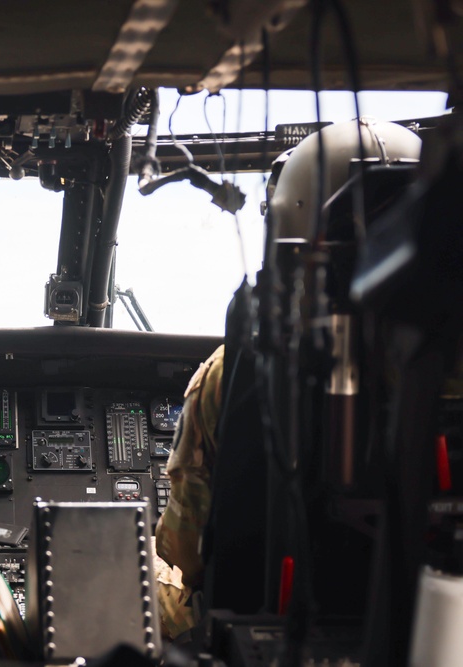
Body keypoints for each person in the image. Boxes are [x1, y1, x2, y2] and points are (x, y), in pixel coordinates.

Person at [153, 117, 424, 639]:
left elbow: (185, 552)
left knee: (141, 575)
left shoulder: (232, 372)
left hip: (266, 630)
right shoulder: (439, 371)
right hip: (432, 632)